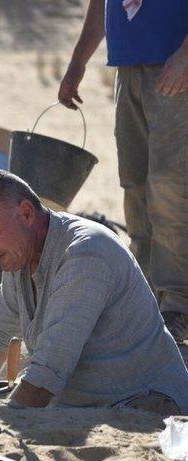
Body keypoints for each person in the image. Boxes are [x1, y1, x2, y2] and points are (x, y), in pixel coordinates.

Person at [0, 170, 188, 415]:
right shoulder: (18, 254)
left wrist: (6, 419)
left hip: (145, 403)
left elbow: (47, 375)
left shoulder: (86, 253)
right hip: (87, 408)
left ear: (26, 213)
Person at [59, 0, 188, 343]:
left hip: (175, 63)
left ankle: (179, 305)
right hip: (128, 64)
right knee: (135, 185)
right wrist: (78, 62)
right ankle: (146, 298)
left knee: (169, 187)